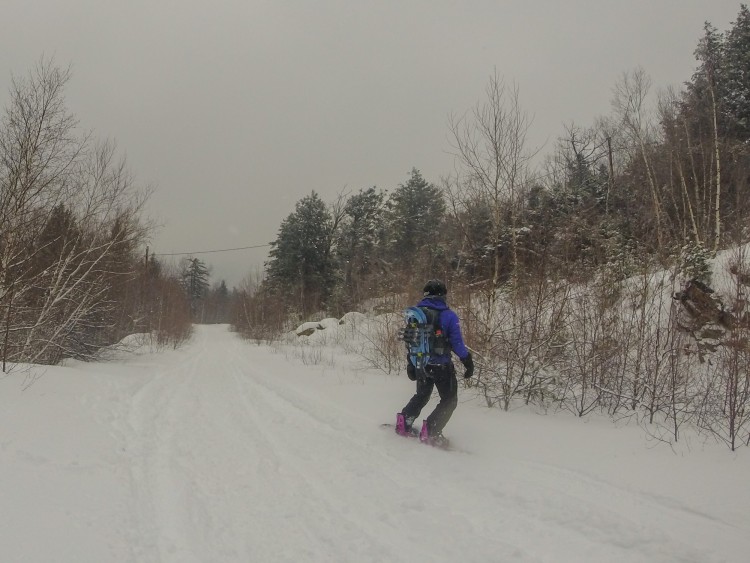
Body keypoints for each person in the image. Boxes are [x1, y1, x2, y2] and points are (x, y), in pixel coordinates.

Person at [397, 279, 474, 446]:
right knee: (449, 400)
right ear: (443, 295)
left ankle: (404, 423)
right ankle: (431, 431)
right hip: (441, 366)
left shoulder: (416, 314)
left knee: (422, 395)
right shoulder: (449, 316)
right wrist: (467, 361)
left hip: (421, 363)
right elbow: (457, 343)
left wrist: (411, 364)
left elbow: (411, 341)